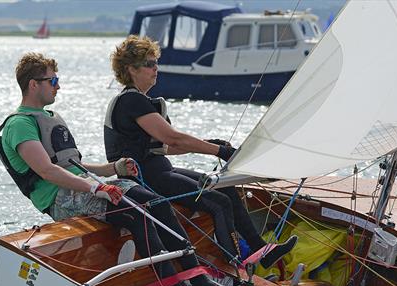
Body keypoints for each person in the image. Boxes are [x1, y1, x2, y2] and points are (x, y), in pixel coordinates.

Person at [0, 52, 237, 286]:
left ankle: (197, 279)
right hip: (60, 198)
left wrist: (113, 168)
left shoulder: (48, 117)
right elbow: (47, 171)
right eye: (53, 81)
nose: (59, 86)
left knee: (155, 202)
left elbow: (73, 166)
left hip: (83, 186)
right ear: (34, 84)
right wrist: (96, 187)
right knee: (137, 215)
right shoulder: (19, 125)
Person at [104, 35, 297, 269]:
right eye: (149, 64)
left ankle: (261, 250)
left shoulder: (144, 102)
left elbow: (167, 147)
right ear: (131, 69)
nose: (156, 68)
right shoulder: (131, 101)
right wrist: (221, 150)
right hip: (145, 179)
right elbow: (173, 137)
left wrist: (211, 143)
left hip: (161, 171)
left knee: (224, 185)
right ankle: (235, 265)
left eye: (156, 63)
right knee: (218, 202)